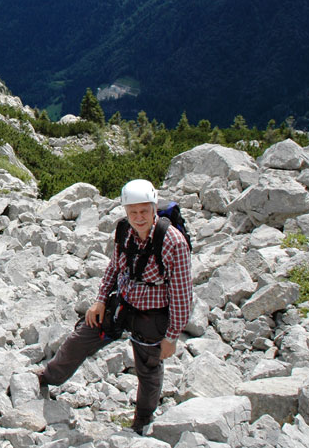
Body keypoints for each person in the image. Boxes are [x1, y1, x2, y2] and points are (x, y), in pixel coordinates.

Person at [35, 178, 193, 435]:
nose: (139, 217)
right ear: (125, 211)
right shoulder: (124, 231)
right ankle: (47, 377)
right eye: (133, 212)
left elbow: (182, 294)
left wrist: (172, 336)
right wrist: (99, 300)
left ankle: (142, 420)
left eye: (144, 211)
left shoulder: (172, 242)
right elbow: (114, 268)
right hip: (122, 306)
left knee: (148, 368)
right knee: (80, 338)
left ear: (154, 209)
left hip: (153, 316)